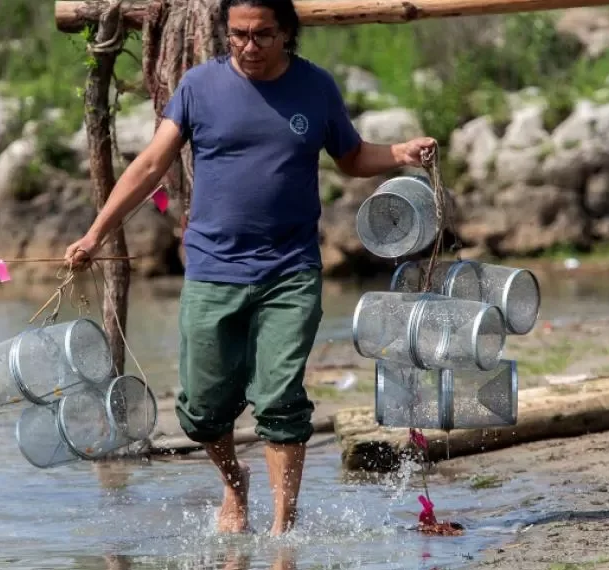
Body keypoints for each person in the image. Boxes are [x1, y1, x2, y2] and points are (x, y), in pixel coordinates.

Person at [64, 0, 437, 536]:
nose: (248, 46)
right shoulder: (199, 87)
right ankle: (234, 486)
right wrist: (96, 233)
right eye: (238, 35)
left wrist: (399, 153)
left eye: (262, 35)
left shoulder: (316, 87)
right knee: (200, 410)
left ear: (287, 33)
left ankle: (283, 531)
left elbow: (351, 157)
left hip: (291, 271)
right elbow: (150, 165)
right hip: (213, 270)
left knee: (281, 400)